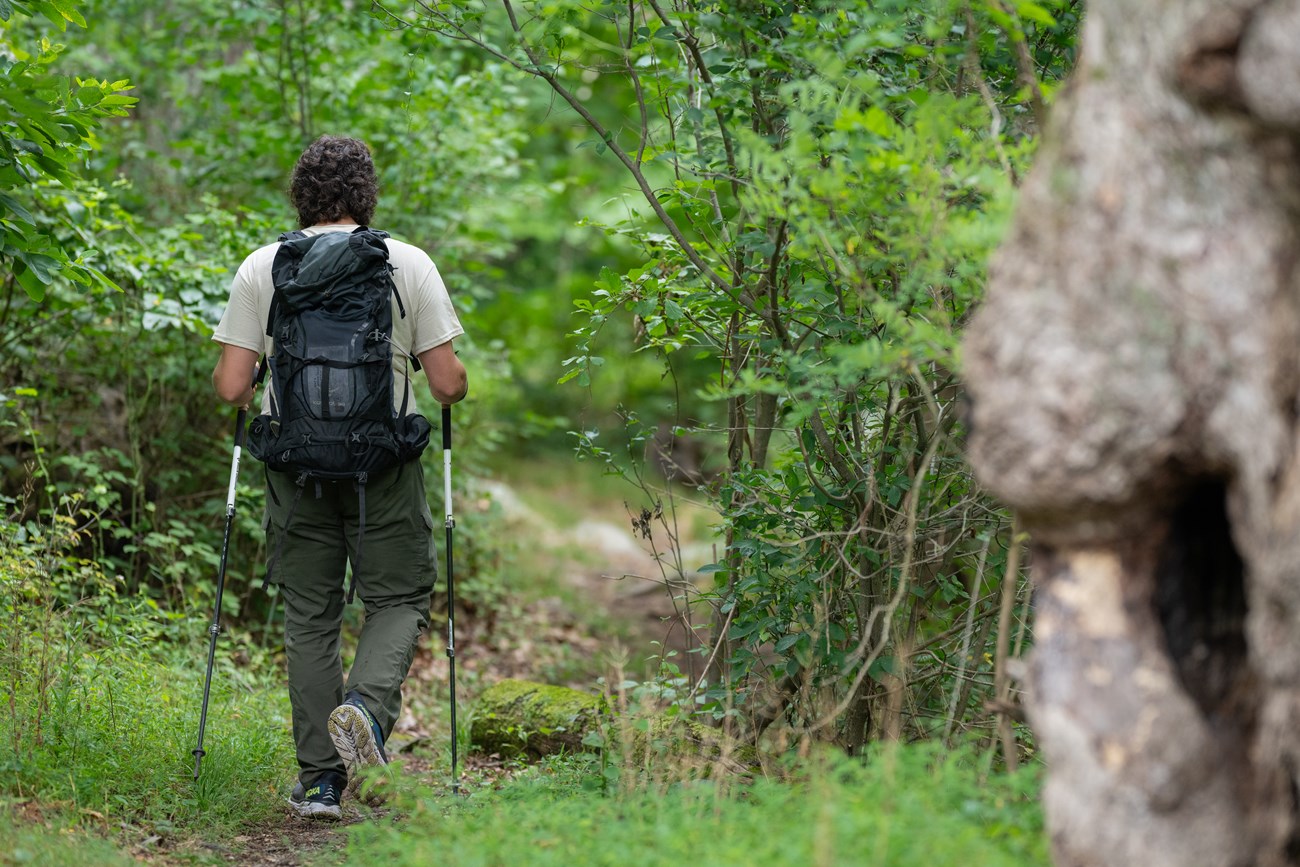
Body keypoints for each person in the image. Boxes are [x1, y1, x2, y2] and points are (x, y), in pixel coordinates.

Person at [211, 135, 467, 819]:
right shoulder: (405, 263)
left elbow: (232, 384)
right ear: (366, 193)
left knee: (310, 617)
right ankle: (363, 709)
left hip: (295, 472)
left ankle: (321, 781)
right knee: (400, 596)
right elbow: (447, 384)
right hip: (383, 469)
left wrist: (263, 369)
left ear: (301, 195)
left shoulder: (264, 267)